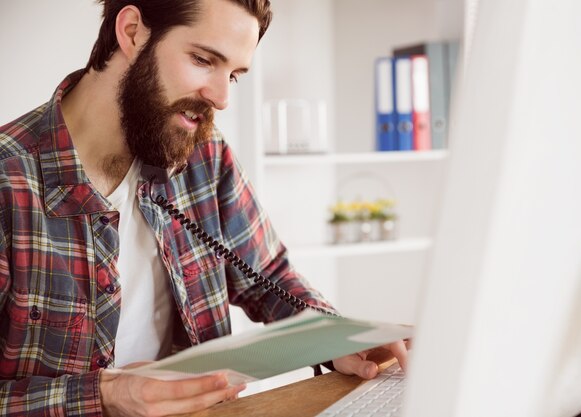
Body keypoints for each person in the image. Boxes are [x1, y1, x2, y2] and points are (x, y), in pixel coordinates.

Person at [0, 0, 409, 415]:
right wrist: (108, 395)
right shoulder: (7, 181)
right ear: (132, 32)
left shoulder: (203, 155)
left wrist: (339, 337)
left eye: (233, 74)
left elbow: (268, 276)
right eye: (202, 59)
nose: (221, 97)